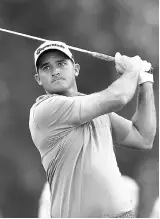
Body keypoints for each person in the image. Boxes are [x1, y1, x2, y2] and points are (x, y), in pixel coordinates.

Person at [29, 41, 156, 217]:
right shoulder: (45, 110)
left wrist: (146, 81)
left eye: (61, 64)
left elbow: (143, 137)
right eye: (46, 67)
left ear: (76, 69)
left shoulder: (96, 110)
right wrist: (133, 69)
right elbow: (119, 97)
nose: (55, 71)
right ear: (38, 79)